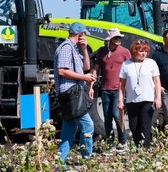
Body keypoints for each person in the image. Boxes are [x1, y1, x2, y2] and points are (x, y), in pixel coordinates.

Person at [55, 22, 96, 164]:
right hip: (70, 93)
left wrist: (84, 49)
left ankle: (59, 162)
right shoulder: (66, 48)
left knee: (69, 130)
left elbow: (86, 67)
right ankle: (87, 159)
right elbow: (62, 71)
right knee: (88, 126)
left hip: (72, 93)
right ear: (81, 34)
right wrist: (84, 78)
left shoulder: (74, 48)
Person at [118, 40, 161, 148]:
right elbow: (122, 84)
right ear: (134, 51)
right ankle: (138, 147)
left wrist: (158, 98)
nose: (143, 53)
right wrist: (120, 100)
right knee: (134, 126)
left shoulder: (151, 63)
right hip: (131, 100)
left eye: (145, 51)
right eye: (141, 51)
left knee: (145, 126)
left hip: (147, 99)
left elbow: (157, 81)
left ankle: (146, 149)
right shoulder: (126, 64)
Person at [92, 27, 131, 147]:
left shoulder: (125, 52)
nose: (118, 39)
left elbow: (130, 69)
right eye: (116, 37)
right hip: (105, 89)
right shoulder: (101, 51)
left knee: (117, 115)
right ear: (110, 39)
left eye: (119, 37)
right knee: (107, 117)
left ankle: (122, 141)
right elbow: (97, 68)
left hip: (118, 89)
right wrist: (91, 83)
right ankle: (110, 142)